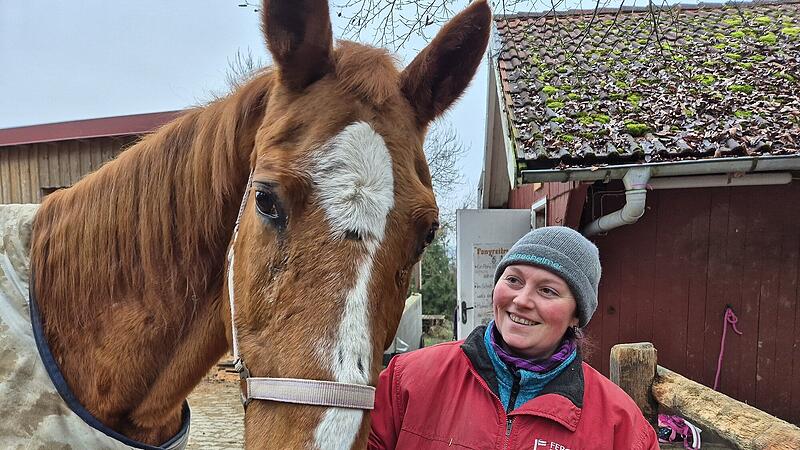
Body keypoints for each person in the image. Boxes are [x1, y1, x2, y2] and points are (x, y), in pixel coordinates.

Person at [369, 226, 659, 449]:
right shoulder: (406, 380)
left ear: (576, 316)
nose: (521, 300)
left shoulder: (620, 425)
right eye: (513, 280)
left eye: (547, 290)